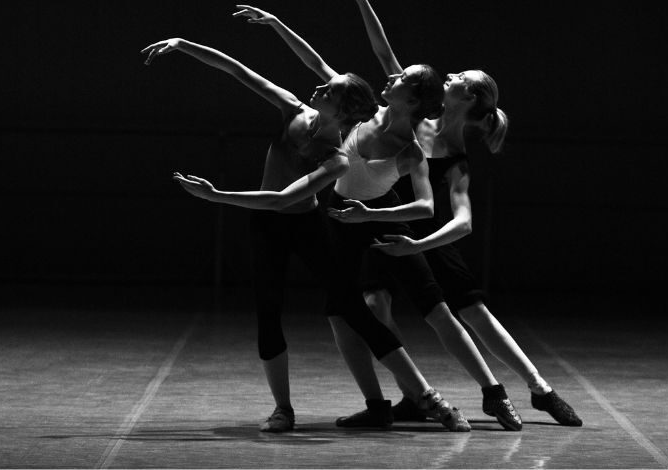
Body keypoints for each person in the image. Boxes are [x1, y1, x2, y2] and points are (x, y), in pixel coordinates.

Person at [141, 36, 471, 432]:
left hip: (306, 226)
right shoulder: (292, 108)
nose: (317, 87)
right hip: (267, 227)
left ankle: (428, 397)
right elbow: (237, 69)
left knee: (352, 308)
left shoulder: (336, 160)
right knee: (268, 312)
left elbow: (282, 200)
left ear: (341, 107)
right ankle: (283, 409)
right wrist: (184, 44)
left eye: (328, 90)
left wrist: (216, 196)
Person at [233, 5, 521, 431]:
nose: (391, 76)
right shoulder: (364, 113)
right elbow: (325, 61)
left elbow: (426, 207)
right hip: (343, 225)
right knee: (348, 312)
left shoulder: (411, 146)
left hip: (379, 226)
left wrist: (375, 215)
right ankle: (388, 402)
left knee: (435, 308)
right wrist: (279, 25)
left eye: (401, 79)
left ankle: (481, 393)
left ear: (414, 98)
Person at [351, 0, 583, 427]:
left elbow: (464, 220)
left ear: (468, 95)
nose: (450, 76)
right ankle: (413, 394)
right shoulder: (415, 117)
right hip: (385, 220)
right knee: (374, 301)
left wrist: (421, 243)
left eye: (458, 77)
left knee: (472, 310)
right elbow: (384, 52)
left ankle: (539, 389)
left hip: (425, 233)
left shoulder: (457, 158)